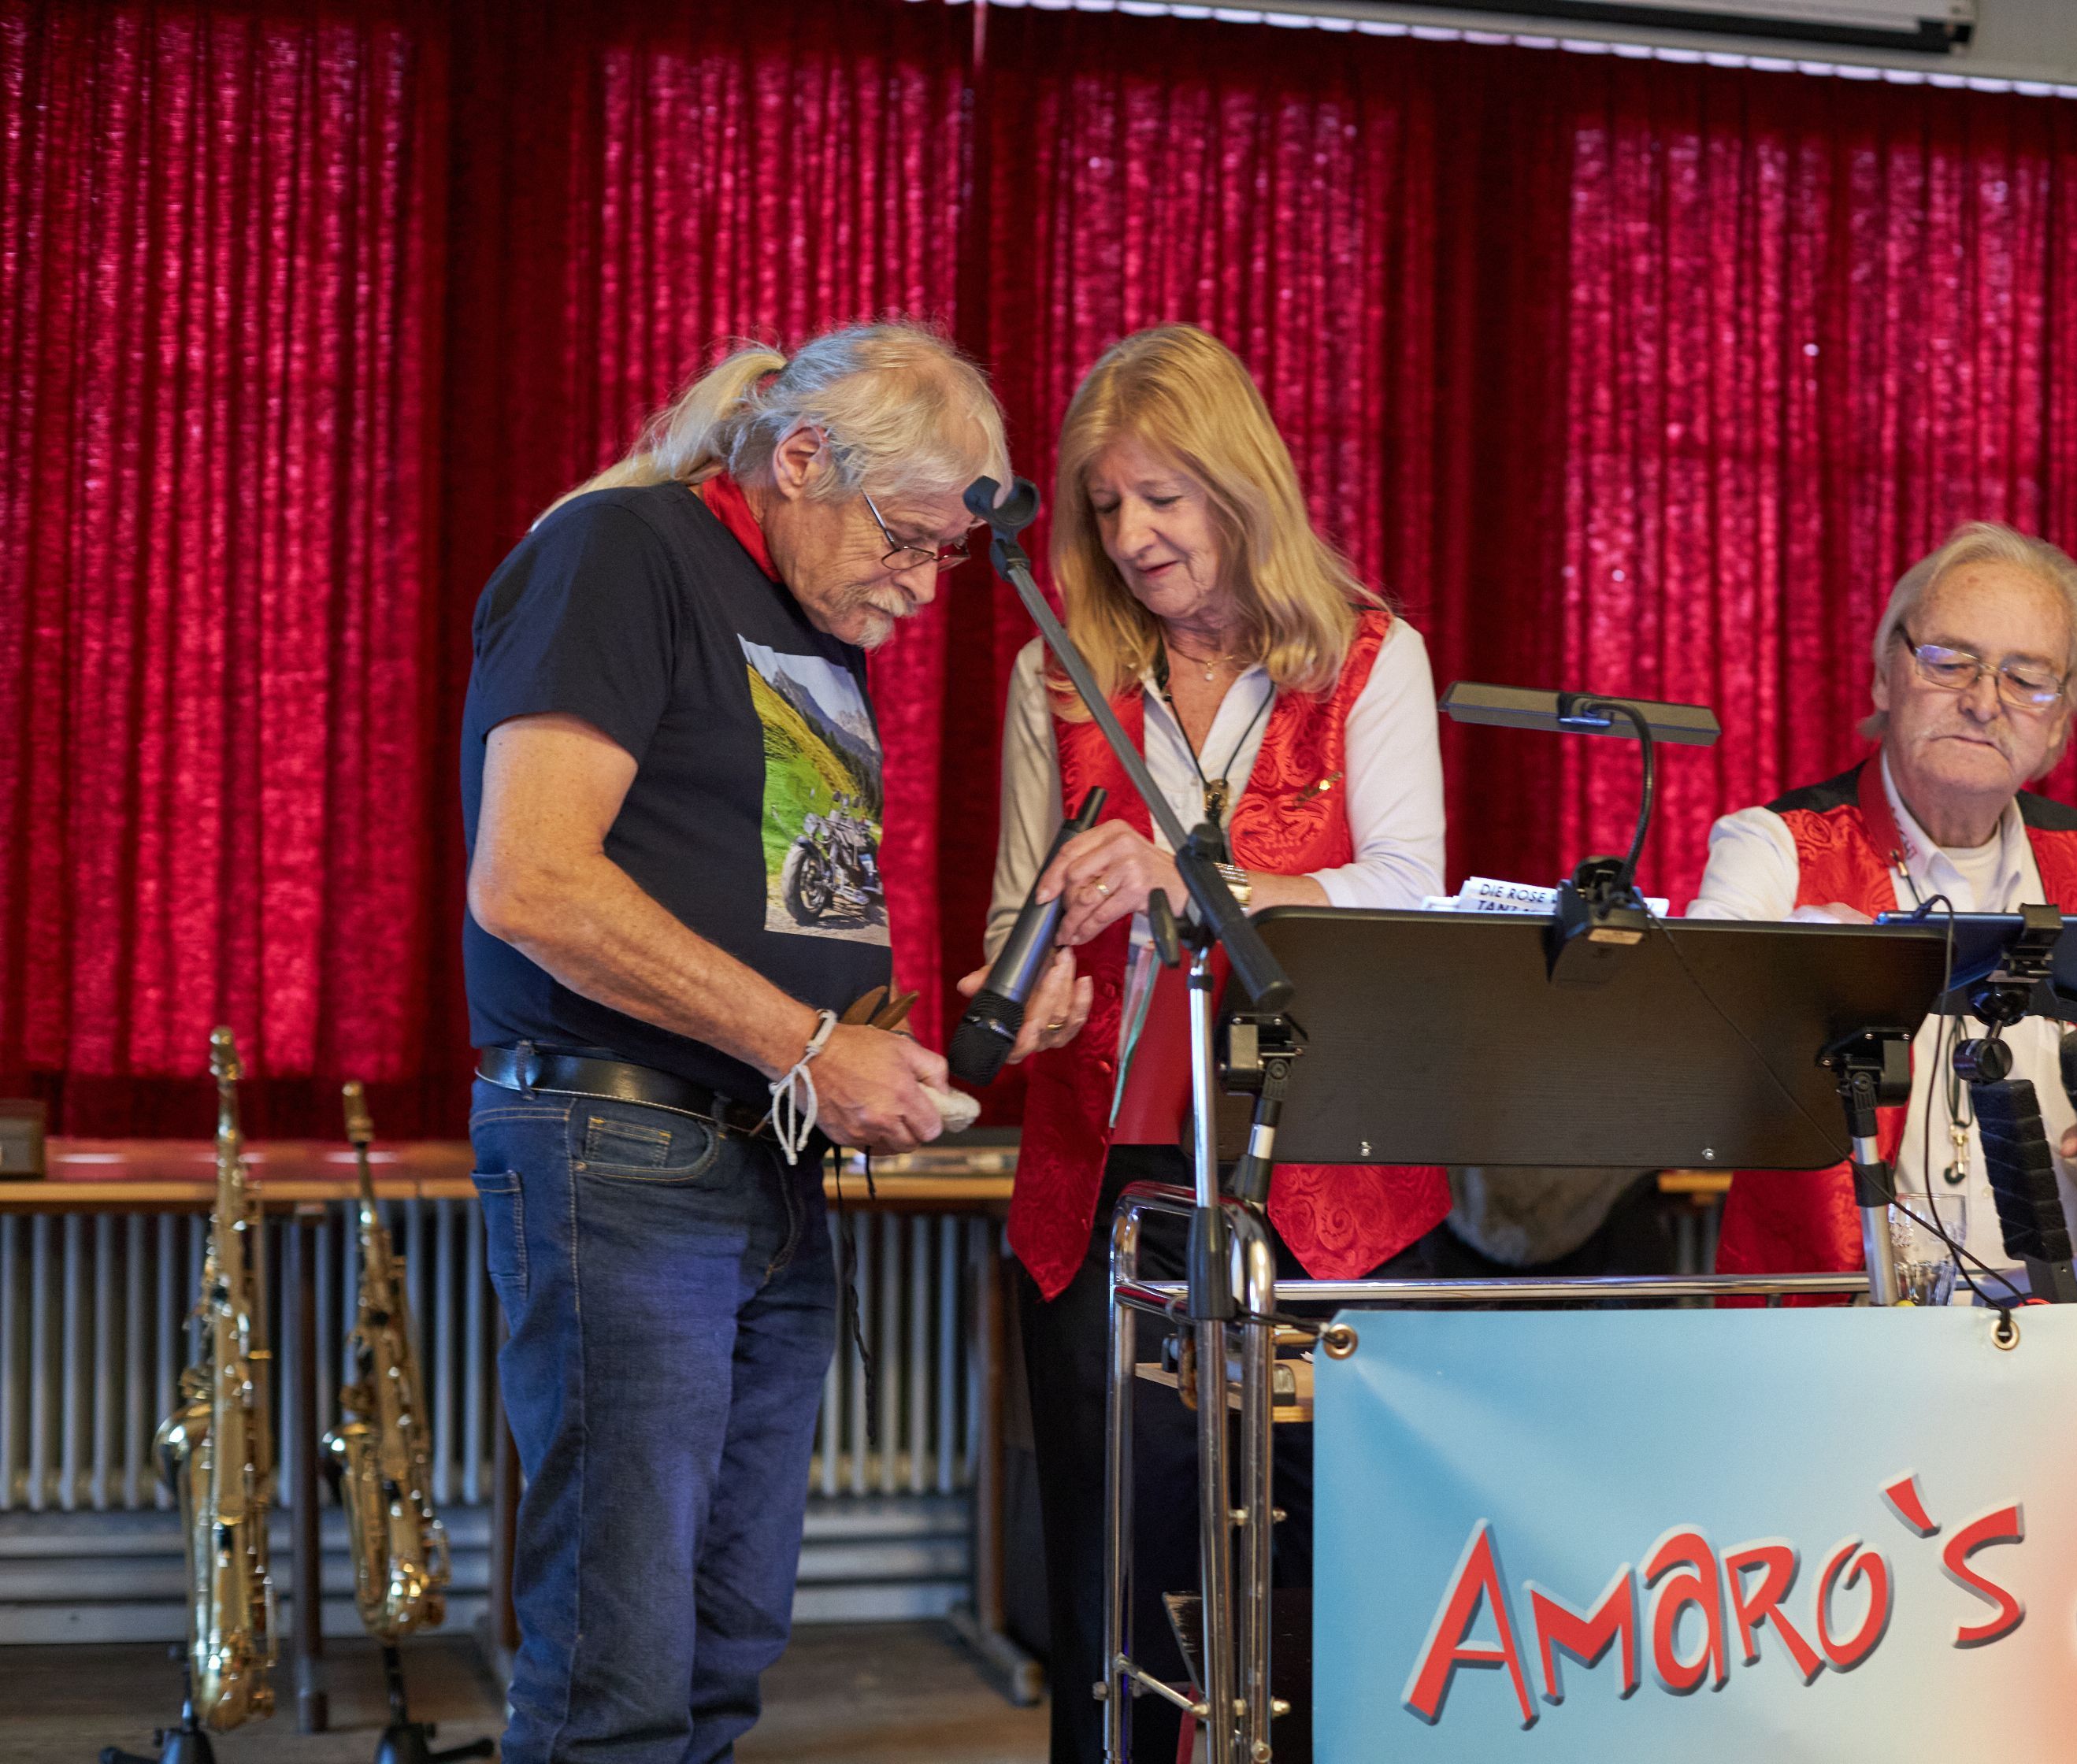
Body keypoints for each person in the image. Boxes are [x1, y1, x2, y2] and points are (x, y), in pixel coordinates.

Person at [461, 322, 1082, 1764]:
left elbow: (774, 927)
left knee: (726, 1639)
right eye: (905, 540)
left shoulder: (810, 621)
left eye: (945, 558)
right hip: (624, 1151)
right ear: (800, 458)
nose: (920, 587)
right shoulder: (624, 554)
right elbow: (531, 881)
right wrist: (808, 1045)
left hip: (768, 1156)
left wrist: (950, 1042)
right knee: (619, 1660)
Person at [981, 323, 1447, 1764]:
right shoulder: (1056, 674)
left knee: (1323, 1580)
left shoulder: (1370, 656)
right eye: (1106, 505)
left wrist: (1194, 884)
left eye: (1163, 497)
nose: (1132, 536)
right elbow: (1016, 916)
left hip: (1326, 1175)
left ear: (1240, 486)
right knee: (1113, 1583)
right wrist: (1029, 991)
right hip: (1106, 1181)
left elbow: (1407, 890)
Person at [1686, 521, 2077, 1287]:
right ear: (1886, 676)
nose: (1983, 703)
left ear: (2061, 722)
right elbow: (1692, 1076)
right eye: (1951, 662)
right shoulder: (1774, 850)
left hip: (2071, 1332)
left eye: (2026, 678)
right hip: (1832, 1333)